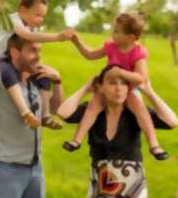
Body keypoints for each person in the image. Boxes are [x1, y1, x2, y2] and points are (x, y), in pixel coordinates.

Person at [0, 0, 65, 198]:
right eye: (32, 50)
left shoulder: (35, 79)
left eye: (40, 50)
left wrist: (58, 81)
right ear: (15, 53)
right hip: (8, 171)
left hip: (35, 169)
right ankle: (25, 112)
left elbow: (58, 110)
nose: (38, 56)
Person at [57, 65, 178, 198]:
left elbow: (172, 122)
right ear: (101, 87)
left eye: (124, 83)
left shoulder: (136, 114)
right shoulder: (91, 114)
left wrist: (149, 92)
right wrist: (86, 88)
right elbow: (63, 113)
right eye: (112, 83)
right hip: (99, 186)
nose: (118, 88)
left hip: (132, 189)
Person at [63, 13, 168, 160]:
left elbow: (141, 78)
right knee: (93, 106)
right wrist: (76, 41)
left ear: (130, 37)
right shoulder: (111, 46)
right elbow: (90, 55)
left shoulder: (138, 52)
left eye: (117, 31)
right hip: (108, 88)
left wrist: (121, 73)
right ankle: (77, 140)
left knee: (140, 110)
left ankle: (154, 144)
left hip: (129, 89)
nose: (113, 34)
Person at [0, 0, 74, 129]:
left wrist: (38, 67)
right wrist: (57, 37)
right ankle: (25, 112)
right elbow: (26, 36)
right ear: (23, 9)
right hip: (2, 59)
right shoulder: (12, 20)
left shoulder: (32, 28)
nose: (40, 20)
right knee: (9, 74)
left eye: (43, 16)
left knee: (43, 75)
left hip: (19, 62)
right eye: (37, 15)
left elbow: (33, 49)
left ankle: (46, 115)